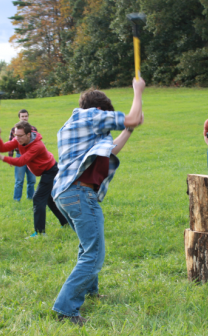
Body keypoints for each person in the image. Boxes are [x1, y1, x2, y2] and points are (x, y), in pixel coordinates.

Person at [51, 78, 145, 326]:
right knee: (94, 254)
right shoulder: (91, 117)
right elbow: (133, 116)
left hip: (66, 194)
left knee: (87, 246)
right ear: (100, 110)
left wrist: (129, 130)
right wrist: (138, 91)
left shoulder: (77, 124)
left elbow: (110, 150)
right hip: (79, 193)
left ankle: (90, 291)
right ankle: (65, 310)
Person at [0, 121, 68, 238]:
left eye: (20, 136)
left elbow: (21, 161)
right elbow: (3, 147)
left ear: (28, 134)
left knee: (38, 198)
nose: (17, 138)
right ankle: (66, 223)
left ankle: (40, 233)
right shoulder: (18, 140)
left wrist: (2, 158)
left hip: (51, 171)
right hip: (45, 172)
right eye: (15, 135)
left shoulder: (37, 145)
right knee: (49, 200)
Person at [9, 109, 37, 202]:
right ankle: (17, 199)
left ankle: (31, 198)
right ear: (19, 118)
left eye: (26, 116)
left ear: (28, 117)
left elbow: (37, 144)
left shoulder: (33, 129)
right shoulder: (14, 130)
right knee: (19, 181)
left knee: (32, 180)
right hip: (19, 156)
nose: (24, 118)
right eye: (22, 116)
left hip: (31, 157)